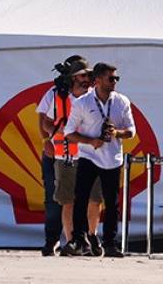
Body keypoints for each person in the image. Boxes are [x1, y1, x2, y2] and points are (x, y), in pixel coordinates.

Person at [64, 62, 135, 258]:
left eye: (116, 78)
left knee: (112, 203)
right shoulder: (82, 103)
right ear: (98, 80)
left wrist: (116, 132)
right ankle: (78, 240)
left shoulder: (122, 101)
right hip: (89, 155)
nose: (115, 82)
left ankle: (110, 243)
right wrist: (90, 141)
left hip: (112, 158)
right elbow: (69, 133)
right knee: (81, 199)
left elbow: (131, 131)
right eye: (111, 78)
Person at [36, 56, 101, 256]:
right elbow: (43, 118)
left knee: (92, 199)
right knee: (61, 199)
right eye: (82, 75)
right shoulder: (56, 94)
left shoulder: (96, 95)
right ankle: (61, 240)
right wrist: (48, 138)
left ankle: (89, 238)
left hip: (90, 156)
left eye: (89, 75)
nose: (86, 78)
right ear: (72, 77)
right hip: (62, 155)